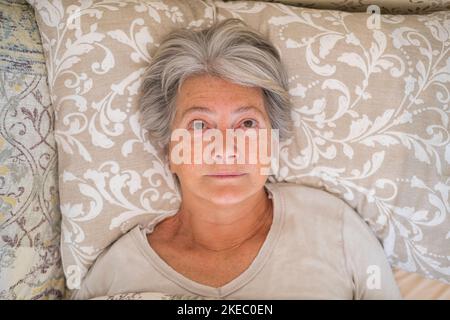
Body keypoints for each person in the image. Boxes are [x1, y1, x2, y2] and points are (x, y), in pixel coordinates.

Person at [71, 19, 401, 300]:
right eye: (200, 125)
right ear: (168, 149)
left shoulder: (335, 230)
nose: (226, 148)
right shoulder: (117, 274)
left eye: (247, 124)